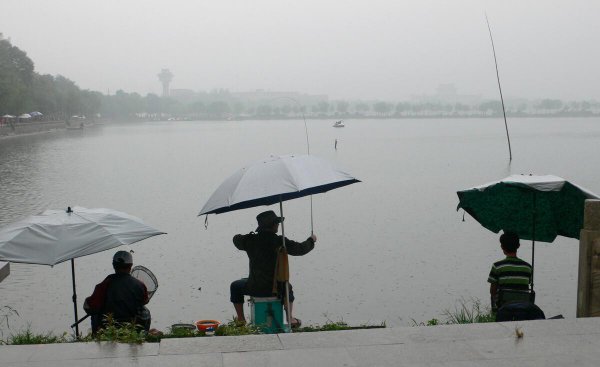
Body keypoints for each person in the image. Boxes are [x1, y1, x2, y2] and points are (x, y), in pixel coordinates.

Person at [230, 210, 316, 328]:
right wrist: (311, 240)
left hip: (254, 287)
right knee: (287, 286)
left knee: (235, 286)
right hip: (275, 289)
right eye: (277, 223)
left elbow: (236, 239)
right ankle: (290, 318)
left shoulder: (250, 240)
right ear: (273, 225)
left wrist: (247, 236)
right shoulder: (279, 241)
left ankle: (241, 320)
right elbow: (300, 249)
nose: (278, 225)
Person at [84, 251, 150, 333]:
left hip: (109, 327)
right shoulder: (140, 285)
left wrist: (87, 301)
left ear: (113, 265)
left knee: (95, 314)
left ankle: (98, 337)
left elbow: (90, 306)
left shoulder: (103, 285)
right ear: (130, 266)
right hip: (132, 326)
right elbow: (145, 301)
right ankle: (143, 335)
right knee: (145, 311)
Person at [488, 231, 533, 311]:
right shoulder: (528, 267)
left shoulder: (497, 266)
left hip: (503, 308)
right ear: (518, 246)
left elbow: (492, 291)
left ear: (502, 246)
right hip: (523, 308)